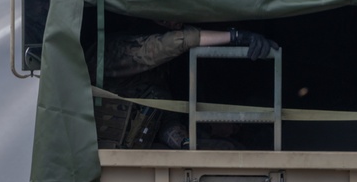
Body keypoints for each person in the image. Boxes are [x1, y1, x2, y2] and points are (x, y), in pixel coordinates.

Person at [88, 19, 278, 149]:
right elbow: (167, 45)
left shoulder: (159, 74)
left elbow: (165, 122)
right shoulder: (112, 51)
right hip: (106, 155)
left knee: (227, 149)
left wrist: (185, 143)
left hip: (139, 147)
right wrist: (236, 37)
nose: (175, 23)